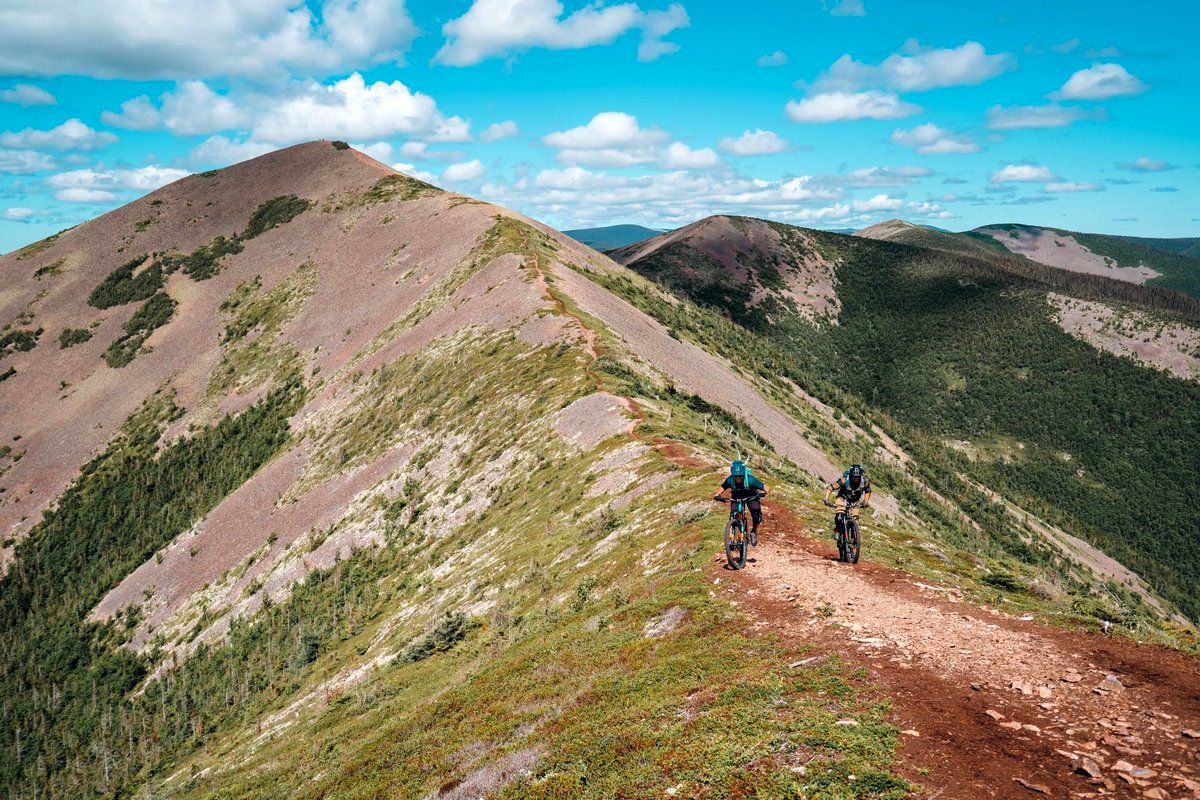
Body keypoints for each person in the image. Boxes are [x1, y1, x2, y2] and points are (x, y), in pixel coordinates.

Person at [713, 460, 768, 546]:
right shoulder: (730, 479)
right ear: (733, 475)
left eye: (740, 476)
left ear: (743, 474)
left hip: (751, 495)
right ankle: (731, 537)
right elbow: (723, 486)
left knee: (756, 515)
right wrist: (718, 494)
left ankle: (753, 532)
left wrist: (764, 493)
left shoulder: (750, 480)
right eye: (736, 476)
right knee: (734, 514)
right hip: (737, 495)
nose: (738, 478)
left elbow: (766, 487)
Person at [823, 463, 871, 538]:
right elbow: (831, 488)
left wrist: (866, 501)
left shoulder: (864, 482)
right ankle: (837, 530)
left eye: (858, 477)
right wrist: (826, 499)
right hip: (842, 499)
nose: (856, 478)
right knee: (839, 515)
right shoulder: (844, 480)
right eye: (854, 477)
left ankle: (854, 539)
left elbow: (868, 491)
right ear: (851, 475)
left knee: (855, 520)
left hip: (855, 501)